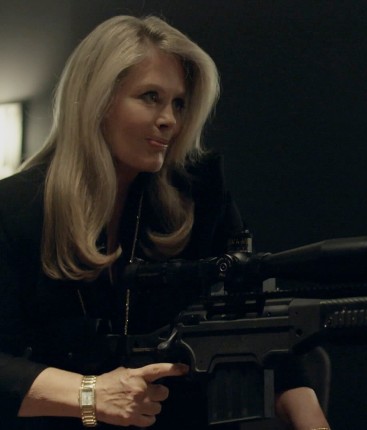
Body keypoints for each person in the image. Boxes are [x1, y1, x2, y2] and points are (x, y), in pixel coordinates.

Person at [0, 15, 330, 430]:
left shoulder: (200, 197)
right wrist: (90, 395)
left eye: (178, 103)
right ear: (96, 101)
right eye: (150, 97)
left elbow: (259, 328)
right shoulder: (14, 209)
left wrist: (313, 421)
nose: (169, 119)